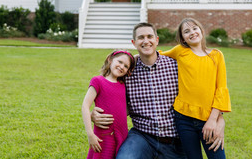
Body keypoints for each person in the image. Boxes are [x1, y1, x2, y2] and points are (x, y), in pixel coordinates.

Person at [92, 23, 225, 159]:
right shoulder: (127, 72)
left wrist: (219, 119)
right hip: (142, 136)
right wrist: (96, 114)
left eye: (150, 36)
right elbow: (112, 96)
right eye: (141, 38)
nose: (146, 41)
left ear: (157, 40)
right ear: (134, 42)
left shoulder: (177, 65)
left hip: (176, 139)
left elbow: (205, 91)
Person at [159, 18, 231, 159]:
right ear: (183, 39)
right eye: (186, 31)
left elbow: (221, 89)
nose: (192, 32)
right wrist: (130, 58)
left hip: (208, 118)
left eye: (194, 28)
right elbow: (156, 55)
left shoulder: (216, 55)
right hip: (183, 118)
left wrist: (214, 119)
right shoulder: (180, 51)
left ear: (201, 31)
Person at [82, 50, 135, 159]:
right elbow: (85, 106)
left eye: (126, 66)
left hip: (121, 134)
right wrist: (90, 134)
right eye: (119, 62)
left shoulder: (123, 85)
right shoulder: (98, 81)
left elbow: (121, 109)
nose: (121, 67)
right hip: (103, 135)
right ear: (110, 60)